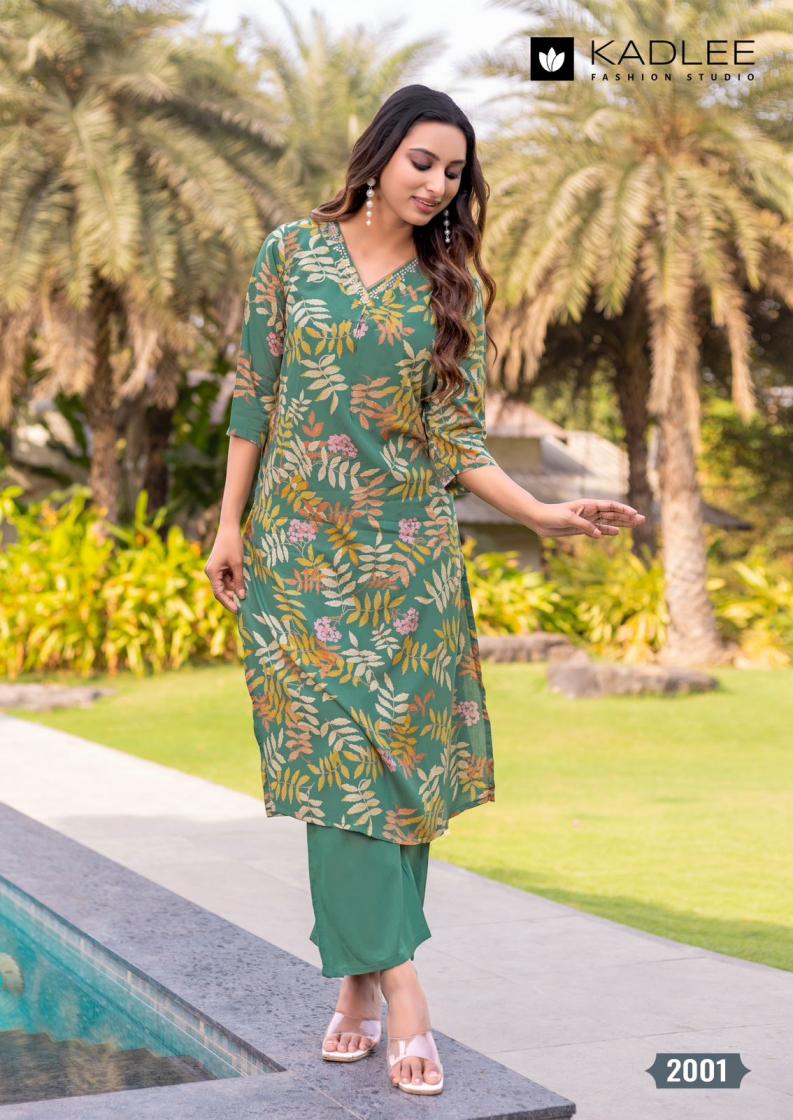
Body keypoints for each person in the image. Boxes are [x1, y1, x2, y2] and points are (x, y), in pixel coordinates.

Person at [205, 83, 645, 1098]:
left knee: (396, 780)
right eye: (422, 161)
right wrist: (229, 523)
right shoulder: (291, 253)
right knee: (335, 769)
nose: (437, 184)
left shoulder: (450, 290)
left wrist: (540, 514)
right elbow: (254, 391)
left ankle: (356, 990)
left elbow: (455, 438)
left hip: (407, 565)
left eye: (453, 172)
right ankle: (406, 995)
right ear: (379, 153)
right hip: (296, 560)